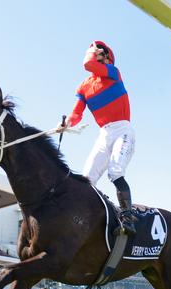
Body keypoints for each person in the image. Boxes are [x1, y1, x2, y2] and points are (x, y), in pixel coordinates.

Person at [59, 40, 137, 235]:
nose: (96, 55)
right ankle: (83, 217)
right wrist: (66, 123)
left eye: (100, 53)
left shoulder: (113, 72)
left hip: (122, 129)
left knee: (115, 171)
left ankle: (128, 217)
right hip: (104, 133)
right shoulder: (84, 87)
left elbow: (89, 65)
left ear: (107, 58)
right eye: (95, 52)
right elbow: (77, 114)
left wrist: (92, 53)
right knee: (86, 180)